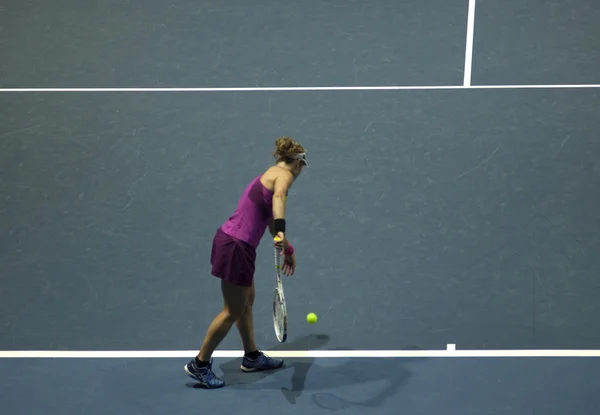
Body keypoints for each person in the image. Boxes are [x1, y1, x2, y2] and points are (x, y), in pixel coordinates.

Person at [184, 136, 308, 389]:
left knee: (246, 302)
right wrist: (282, 230)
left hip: (235, 244)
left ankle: (251, 357)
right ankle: (200, 363)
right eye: (302, 167)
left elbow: (271, 217)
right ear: (298, 163)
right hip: (235, 247)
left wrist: (287, 245)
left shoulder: (271, 173)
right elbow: (279, 199)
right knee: (232, 309)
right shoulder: (283, 176)